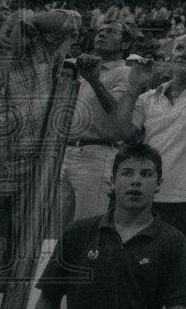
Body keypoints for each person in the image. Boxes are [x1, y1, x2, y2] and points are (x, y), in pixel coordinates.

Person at [0, 0, 82, 309]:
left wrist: (26, 21)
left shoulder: (38, 47)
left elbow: (72, 20)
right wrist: (7, 49)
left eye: (4, 10)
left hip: (37, 173)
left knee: (28, 263)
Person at [34, 143, 186, 309]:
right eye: (127, 173)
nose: (136, 181)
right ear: (112, 181)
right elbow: (47, 301)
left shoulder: (172, 241)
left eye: (146, 174)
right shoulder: (76, 233)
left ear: (158, 184)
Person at [112, 30, 186, 243]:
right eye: (179, 48)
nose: (183, 54)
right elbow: (123, 132)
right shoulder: (150, 96)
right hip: (146, 194)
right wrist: (133, 87)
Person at [57, 21, 134, 227]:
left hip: (97, 154)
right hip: (67, 152)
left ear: (125, 44)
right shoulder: (82, 70)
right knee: (55, 231)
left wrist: (94, 80)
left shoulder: (126, 73)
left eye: (110, 32)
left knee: (88, 227)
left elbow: (119, 113)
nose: (101, 34)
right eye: (99, 31)